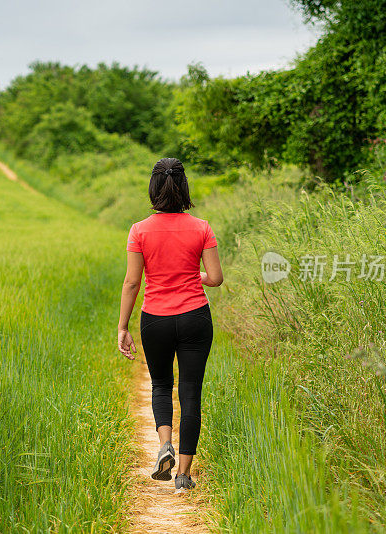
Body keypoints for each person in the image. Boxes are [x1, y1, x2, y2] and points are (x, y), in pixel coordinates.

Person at [117, 157, 223, 493]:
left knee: (161, 385)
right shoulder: (202, 227)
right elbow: (216, 279)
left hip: (155, 320)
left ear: (153, 188)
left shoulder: (139, 230)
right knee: (191, 393)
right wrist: (194, 275)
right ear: (184, 187)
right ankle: (184, 477)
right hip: (195, 317)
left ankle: (165, 446)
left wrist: (123, 327)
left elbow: (133, 282)